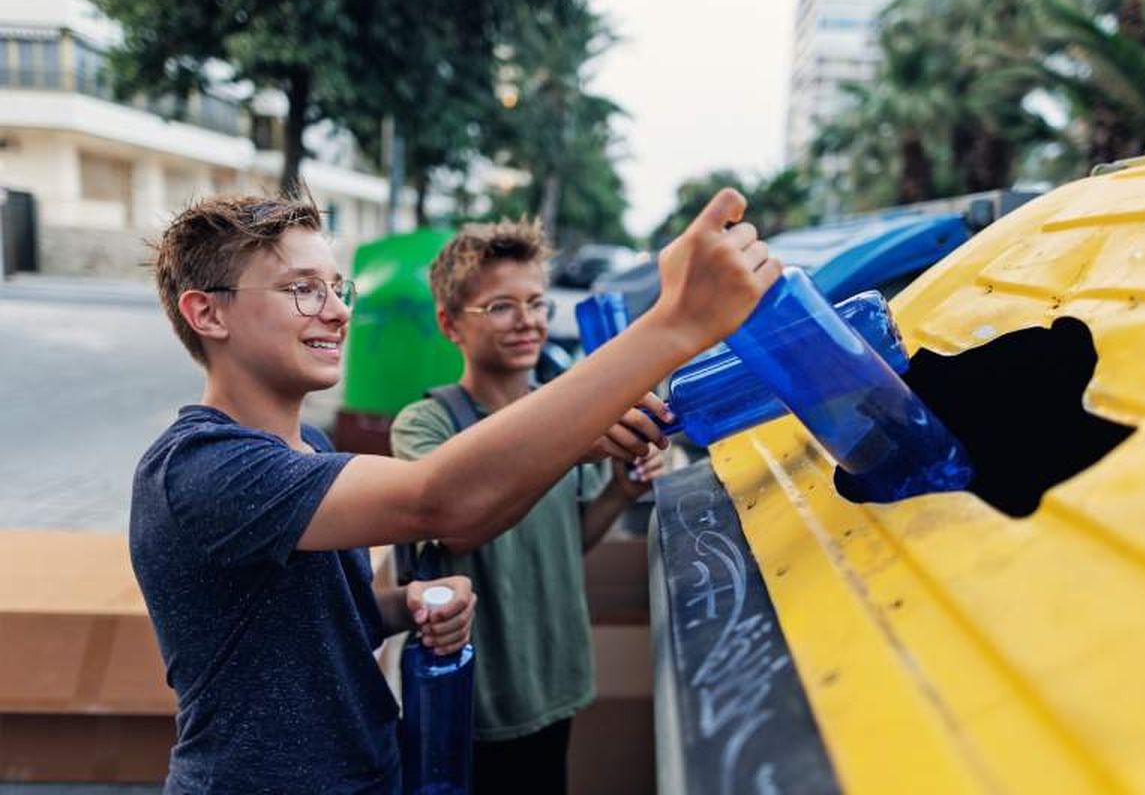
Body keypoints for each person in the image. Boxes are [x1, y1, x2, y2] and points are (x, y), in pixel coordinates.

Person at [130, 187, 778, 794]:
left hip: (370, 769)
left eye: (336, 286)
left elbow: (336, 615)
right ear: (207, 311)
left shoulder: (311, 451)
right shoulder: (200, 467)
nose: (337, 309)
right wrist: (673, 323)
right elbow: (436, 501)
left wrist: (406, 602)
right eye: (301, 289)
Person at [390, 219, 665, 795]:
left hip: (554, 679)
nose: (528, 321)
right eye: (500, 306)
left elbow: (571, 536)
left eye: (537, 302)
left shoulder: (567, 414)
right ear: (449, 324)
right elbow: (458, 526)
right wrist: (566, 444)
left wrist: (621, 490)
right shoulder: (426, 425)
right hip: (473, 700)